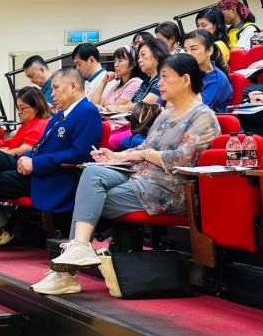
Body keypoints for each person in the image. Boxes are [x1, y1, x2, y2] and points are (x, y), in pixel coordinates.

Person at [32, 54, 220, 295]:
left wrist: (144, 154)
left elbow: (183, 159)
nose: (159, 83)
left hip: (169, 189)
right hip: (139, 176)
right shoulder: (166, 114)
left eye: (165, 77)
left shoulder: (203, 116)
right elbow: (144, 148)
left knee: (87, 200)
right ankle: (78, 249)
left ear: (185, 80)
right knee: (93, 172)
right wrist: (117, 156)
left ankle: (67, 272)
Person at [0, 69, 102, 262]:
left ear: (73, 86)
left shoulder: (87, 112)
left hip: (53, 177)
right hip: (35, 169)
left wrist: (35, 162)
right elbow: (40, 146)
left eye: (56, 88)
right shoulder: (59, 116)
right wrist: (26, 158)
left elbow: (79, 154)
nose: (52, 93)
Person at [116, 39, 170, 150]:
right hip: (141, 126)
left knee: (134, 141)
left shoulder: (161, 80)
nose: (139, 60)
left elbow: (145, 104)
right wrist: (118, 108)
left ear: (157, 56)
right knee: (125, 142)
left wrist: (117, 108)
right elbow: (131, 103)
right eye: (138, 57)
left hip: (154, 127)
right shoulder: (146, 81)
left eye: (143, 55)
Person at [89, 46, 144, 149]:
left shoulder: (135, 82)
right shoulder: (116, 85)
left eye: (120, 61)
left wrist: (102, 108)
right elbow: (94, 104)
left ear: (132, 64)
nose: (116, 64)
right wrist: (103, 82)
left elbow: (114, 109)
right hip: (107, 125)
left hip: (122, 127)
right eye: (115, 61)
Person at [183, 29, 232, 113]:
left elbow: (198, 109)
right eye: (185, 50)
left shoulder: (216, 79)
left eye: (193, 49)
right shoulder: (187, 72)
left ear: (209, 51)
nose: (188, 54)